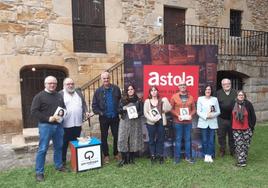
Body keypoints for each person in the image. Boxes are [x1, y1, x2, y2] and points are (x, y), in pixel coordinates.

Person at [31, 76, 67, 182]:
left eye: (54, 83)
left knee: (59, 146)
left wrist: (62, 115)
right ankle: (39, 172)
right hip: (45, 126)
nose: (52, 85)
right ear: (45, 84)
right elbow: (34, 112)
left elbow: (63, 108)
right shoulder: (39, 96)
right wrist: (48, 118)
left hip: (59, 125)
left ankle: (59, 165)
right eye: (50, 83)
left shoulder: (59, 95)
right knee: (43, 149)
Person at [59, 78, 93, 166]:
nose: (70, 85)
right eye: (68, 84)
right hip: (65, 125)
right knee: (64, 144)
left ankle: (77, 160)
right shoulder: (60, 94)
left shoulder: (78, 92)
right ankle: (62, 161)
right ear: (64, 85)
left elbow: (84, 104)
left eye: (72, 84)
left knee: (76, 143)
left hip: (77, 123)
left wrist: (86, 111)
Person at [92, 71, 121, 164]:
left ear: (110, 78)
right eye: (104, 78)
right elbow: (94, 106)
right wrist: (100, 113)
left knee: (116, 136)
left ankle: (116, 153)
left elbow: (120, 101)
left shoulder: (116, 89)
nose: (106, 80)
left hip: (115, 117)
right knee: (104, 137)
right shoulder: (98, 91)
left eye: (107, 78)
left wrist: (120, 110)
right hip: (104, 118)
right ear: (101, 79)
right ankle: (106, 155)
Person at [143, 86, 171, 164]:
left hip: (161, 122)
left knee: (160, 140)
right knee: (151, 140)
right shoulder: (147, 101)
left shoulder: (161, 100)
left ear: (157, 91)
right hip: (151, 123)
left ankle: (160, 155)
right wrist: (152, 119)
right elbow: (145, 113)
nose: (154, 92)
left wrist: (165, 101)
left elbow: (169, 109)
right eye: (152, 90)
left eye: (155, 90)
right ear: (150, 93)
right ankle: (153, 156)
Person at [117, 84, 143, 167]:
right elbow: (118, 110)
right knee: (122, 139)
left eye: (131, 89)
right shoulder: (122, 100)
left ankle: (131, 158)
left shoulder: (138, 100)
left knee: (133, 139)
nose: (130, 91)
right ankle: (124, 159)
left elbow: (141, 112)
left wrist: (137, 115)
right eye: (128, 89)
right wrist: (123, 109)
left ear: (134, 90)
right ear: (126, 91)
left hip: (135, 122)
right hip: (124, 121)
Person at [170, 81, 196, 164]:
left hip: (188, 122)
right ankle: (177, 159)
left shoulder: (191, 97)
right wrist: (178, 115)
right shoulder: (174, 97)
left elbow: (194, 109)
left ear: (186, 86)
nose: (182, 86)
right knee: (178, 140)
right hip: (178, 122)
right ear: (178, 86)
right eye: (181, 85)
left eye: (184, 85)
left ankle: (188, 157)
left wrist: (190, 115)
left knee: (188, 140)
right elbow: (171, 109)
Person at [197, 85, 220, 163]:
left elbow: (218, 111)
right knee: (204, 140)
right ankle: (205, 155)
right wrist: (206, 116)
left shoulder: (215, 99)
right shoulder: (200, 99)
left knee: (211, 140)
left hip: (212, 123)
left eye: (209, 89)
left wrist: (212, 115)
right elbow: (198, 111)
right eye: (206, 89)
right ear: (204, 90)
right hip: (204, 122)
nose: (208, 91)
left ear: (211, 91)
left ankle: (210, 155)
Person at [232, 90, 256, 167]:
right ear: (237, 96)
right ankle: (241, 162)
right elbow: (230, 116)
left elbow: (253, 117)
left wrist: (251, 127)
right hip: (236, 129)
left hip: (247, 128)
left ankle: (243, 158)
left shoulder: (248, 104)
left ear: (244, 96)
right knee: (239, 145)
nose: (241, 96)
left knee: (245, 145)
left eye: (242, 95)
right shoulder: (233, 104)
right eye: (239, 95)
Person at [217, 78, 237, 157]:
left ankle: (232, 151)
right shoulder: (218, 93)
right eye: (224, 84)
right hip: (221, 118)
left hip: (233, 118)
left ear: (230, 84)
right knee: (221, 135)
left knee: (232, 135)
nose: (227, 85)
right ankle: (222, 150)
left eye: (228, 83)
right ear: (222, 85)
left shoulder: (235, 92)